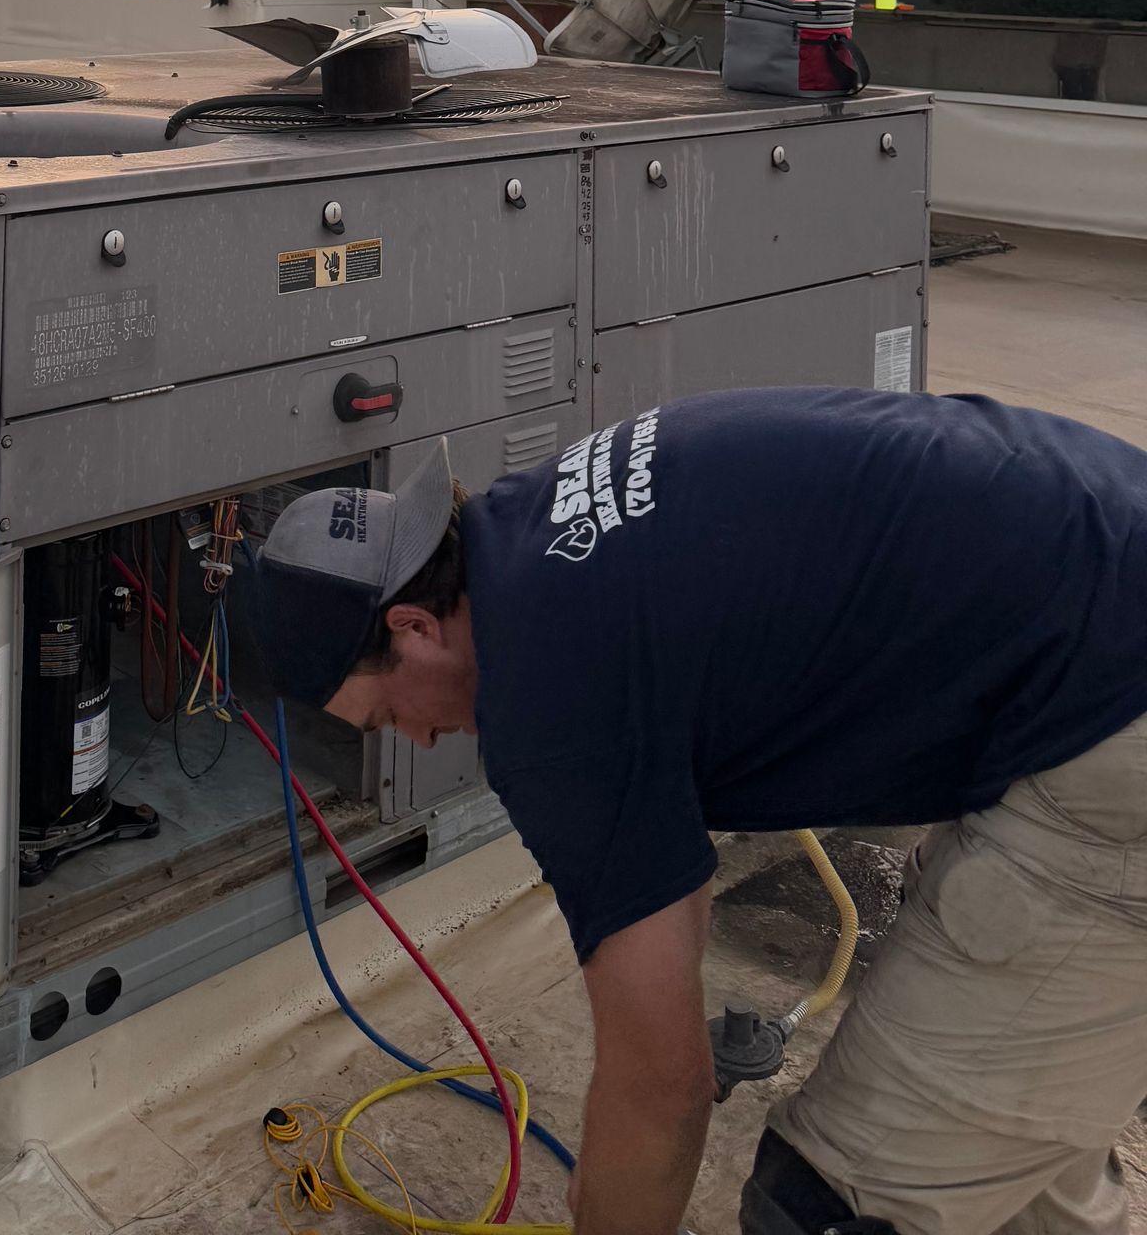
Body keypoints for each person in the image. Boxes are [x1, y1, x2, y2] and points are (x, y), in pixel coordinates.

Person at [250, 389, 1147, 1235]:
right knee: (1025, 1150)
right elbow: (671, 903)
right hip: (1097, 593)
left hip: (1108, 709)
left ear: (412, 627)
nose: (415, 737)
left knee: (830, 1201)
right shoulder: (533, 524)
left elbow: (660, 1086)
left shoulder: (546, 696)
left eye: (386, 713)